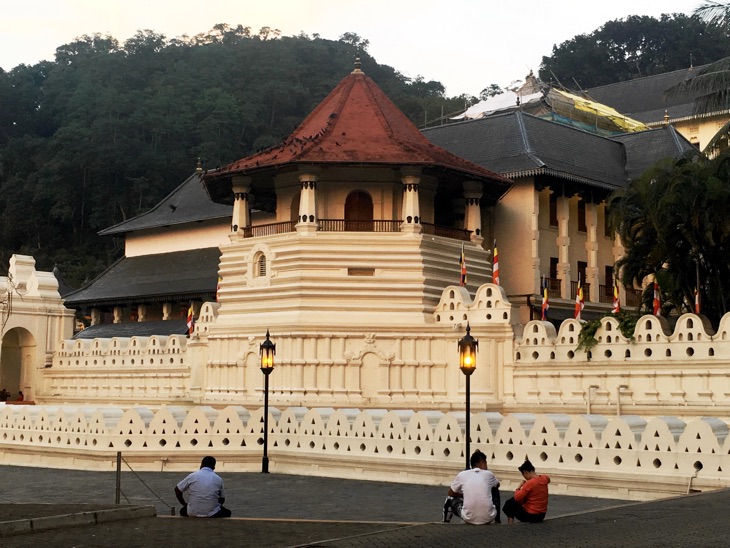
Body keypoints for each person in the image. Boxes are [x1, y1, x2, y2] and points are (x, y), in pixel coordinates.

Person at [442, 449, 500, 525]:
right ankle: (497, 520)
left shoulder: (462, 474)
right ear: (482, 463)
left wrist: (463, 495)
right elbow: (497, 485)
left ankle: (445, 522)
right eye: (486, 463)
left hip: (469, 518)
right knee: (495, 490)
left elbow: (450, 493)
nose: (486, 466)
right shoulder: (489, 474)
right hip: (489, 517)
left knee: (449, 499)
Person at [502, 459, 550, 524]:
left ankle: (510, 522)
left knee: (510, 503)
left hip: (531, 515)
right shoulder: (544, 478)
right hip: (541, 515)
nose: (525, 478)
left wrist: (519, 487)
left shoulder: (530, 483)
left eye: (524, 475)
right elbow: (548, 480)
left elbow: (517, 498)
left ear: (525, 472)